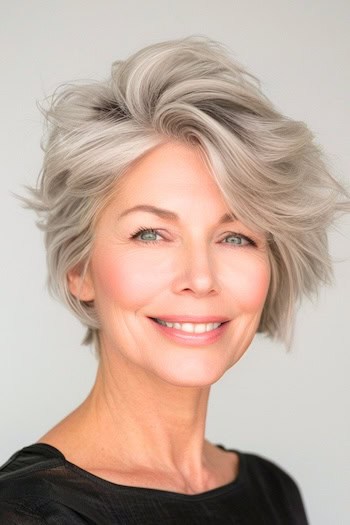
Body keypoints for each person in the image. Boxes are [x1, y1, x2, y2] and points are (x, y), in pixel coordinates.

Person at [0, 35, 348, 524]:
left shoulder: (273, 491)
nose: (200, 278)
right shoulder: (29, 512)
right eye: (151, 233)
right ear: (79, 270)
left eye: (235, 237)